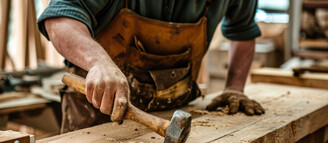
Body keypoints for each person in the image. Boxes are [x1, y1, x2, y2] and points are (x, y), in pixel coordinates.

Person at [38, 0, 265, 133]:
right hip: (96, 114)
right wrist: (99, 62)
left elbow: (242, 30)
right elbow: (59, 19)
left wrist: (235, 87)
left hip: (174, 113)